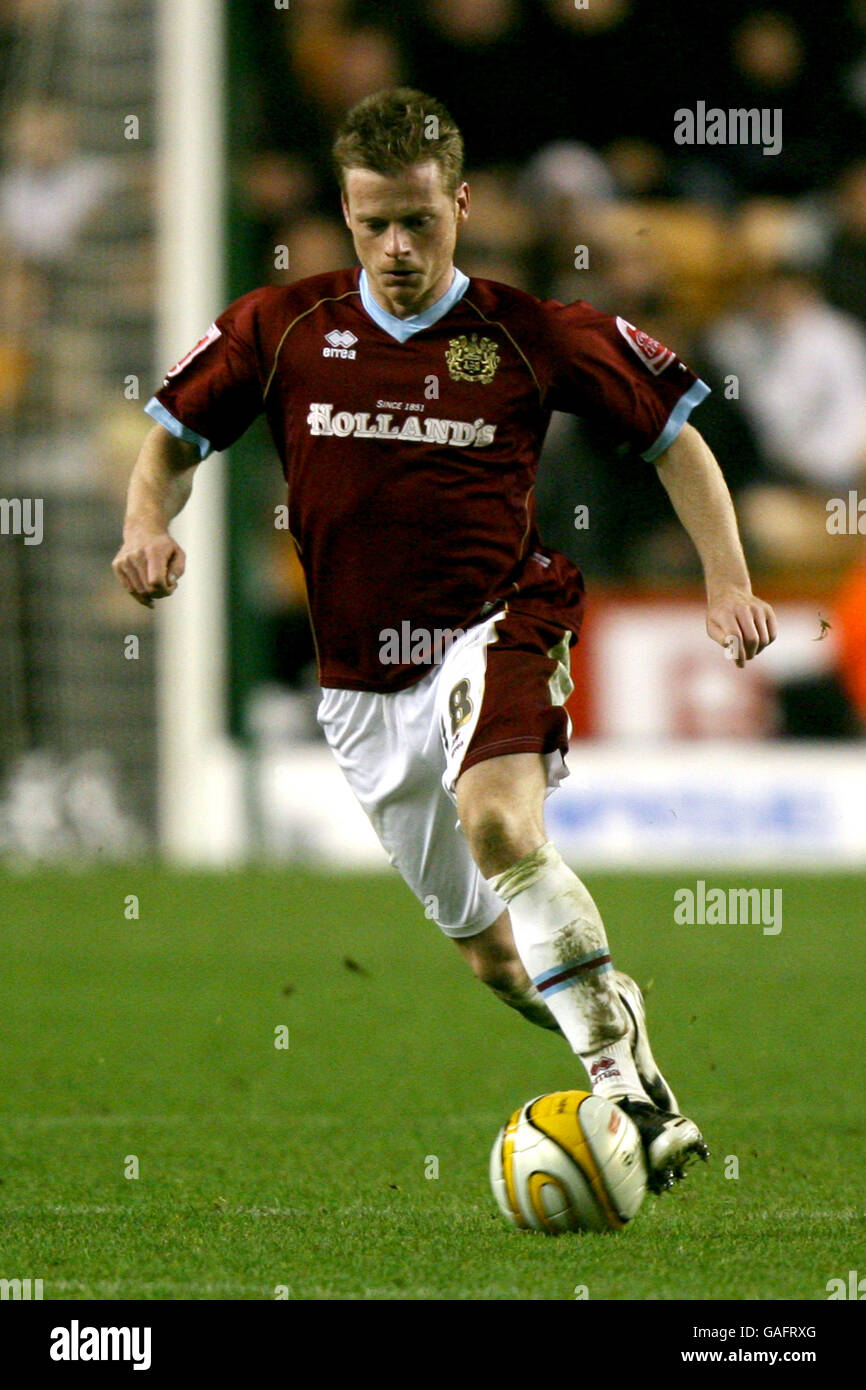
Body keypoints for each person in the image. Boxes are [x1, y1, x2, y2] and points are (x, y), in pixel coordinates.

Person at [112, 88, 777, 1193]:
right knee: (495, 959)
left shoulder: (529, 332)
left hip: (496, 621)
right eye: (372, 223)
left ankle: (622, 1094)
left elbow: (674, 436)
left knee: (499, 822)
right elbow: (173, 437)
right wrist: (144, 526)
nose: (396, 248)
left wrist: (726, 580)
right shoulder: (280, 327)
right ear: (343, 210)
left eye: (418, 221)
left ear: (460, 205)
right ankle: (615, 1029)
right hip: (361, 687)